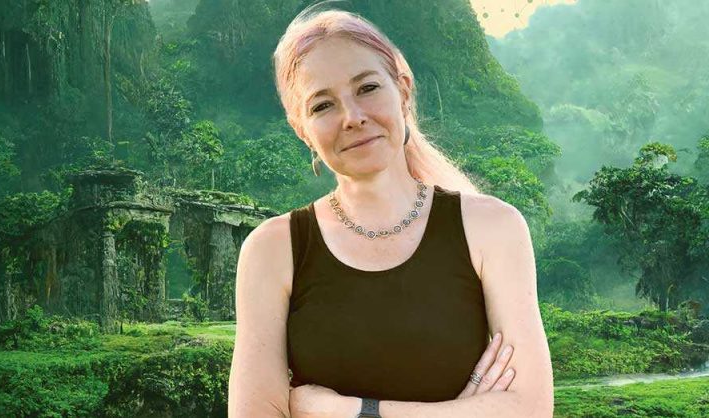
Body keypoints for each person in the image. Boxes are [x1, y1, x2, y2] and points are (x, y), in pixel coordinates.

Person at [228, 4, 554, 418]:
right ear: (301, 129)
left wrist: (352, 411)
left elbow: (529, 408)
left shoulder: (491, 228)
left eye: (367, 88)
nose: (353, 118)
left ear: (402, 89)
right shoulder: (273, 250)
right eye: (322, 106)